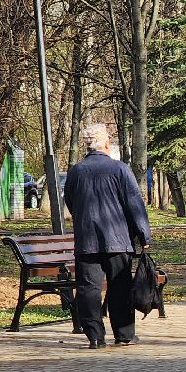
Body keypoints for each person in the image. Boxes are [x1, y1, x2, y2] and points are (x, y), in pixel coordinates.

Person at [63, 123, 151, 350]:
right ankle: (124, 334)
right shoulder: (120, 169)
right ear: (106, 144)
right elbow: (134, 203)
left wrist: (85, 220)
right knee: (120, 286)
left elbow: (70, 201)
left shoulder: (76, 171)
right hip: (118, 240)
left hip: (87, 241)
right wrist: (143, 235)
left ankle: (95, 337)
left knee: (88, 289)